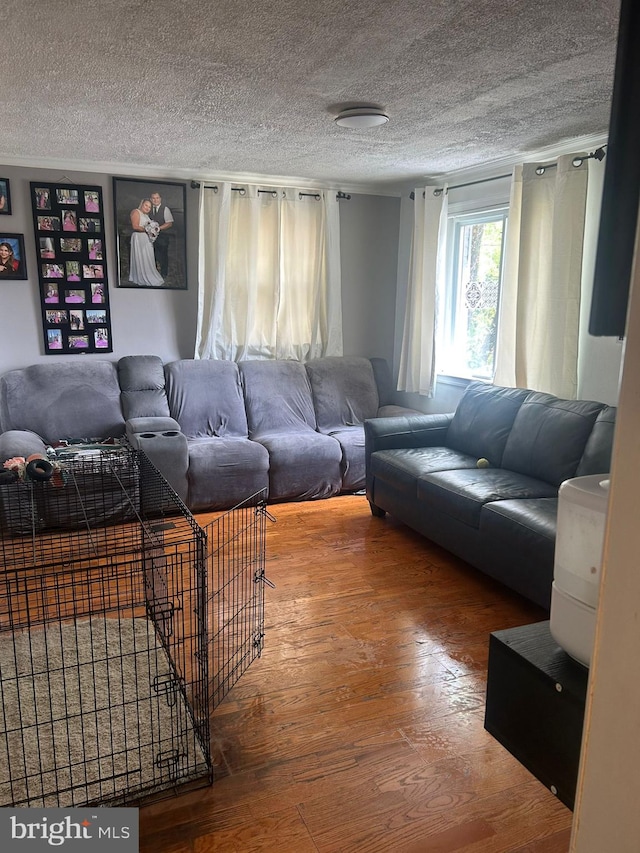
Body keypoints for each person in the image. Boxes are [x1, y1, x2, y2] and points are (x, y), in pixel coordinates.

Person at [129, 199, 164, 287]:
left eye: (149, 207)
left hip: (146, 238)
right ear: (141, 204)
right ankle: (140, 276)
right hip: (139, 237)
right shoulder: (136, 212)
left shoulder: (146, 216)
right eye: (146, 205)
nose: (148, 208)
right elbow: (135, 226)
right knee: (141, 256)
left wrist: (153, 230)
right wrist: (148, 230)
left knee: (148, 257)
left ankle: (149, 274)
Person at [148, 191, 174, 277]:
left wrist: (158, 229)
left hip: (163, 237)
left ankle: (163, 274)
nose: (155, 200)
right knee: (152, 255)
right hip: (150, 237)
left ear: (160, 199)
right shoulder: (148, 208)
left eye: (157, 198)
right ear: (151, 199)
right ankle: (153, 272)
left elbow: (169, 223)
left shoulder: (165, 209)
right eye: (153, 198)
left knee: (163, 256)